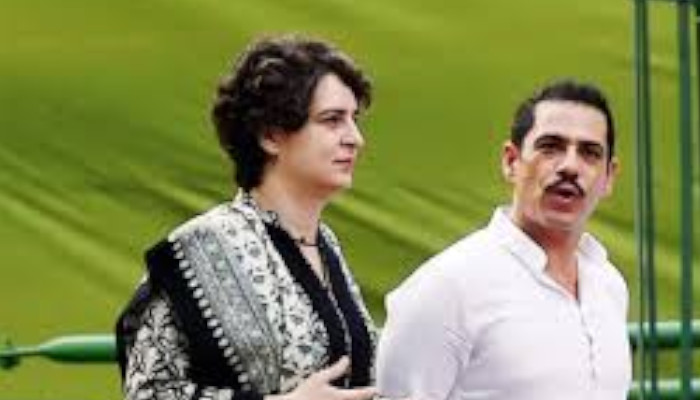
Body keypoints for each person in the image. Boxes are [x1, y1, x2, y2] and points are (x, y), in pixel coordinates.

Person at [115, 35, 378, 400]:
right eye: (332, 120)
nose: (355, 138)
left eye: (354, 119)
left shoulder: (326, 244)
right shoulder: (200, 248)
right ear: (270, 135)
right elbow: (149, 392)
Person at [375, 79, 631, 400]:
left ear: (609, 177)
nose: (570, 166)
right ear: (511, 161)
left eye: (590, 153)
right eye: (550, 147)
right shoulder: (446, 289)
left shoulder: (608, 286)